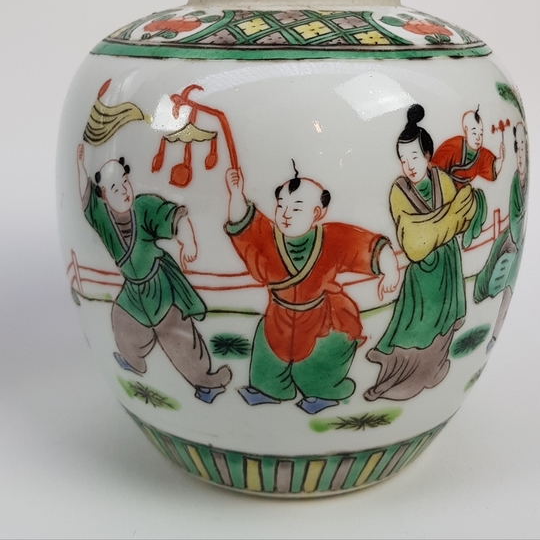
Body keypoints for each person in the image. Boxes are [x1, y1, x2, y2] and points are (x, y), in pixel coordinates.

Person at [224, 163, 400, 414]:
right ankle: (268, 392)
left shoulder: (330, 238)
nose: (286, 214)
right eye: (281, 206)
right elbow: (246, 225)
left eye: (296, 208)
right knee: (268, 361)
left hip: (321, 320)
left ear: (317, 213)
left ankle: (322, 395)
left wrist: (390, 269)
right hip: (278, 317)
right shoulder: (269, 239)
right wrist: (236, 193)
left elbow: (366, 246)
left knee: (318, 365)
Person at [76, 144, 231, 403]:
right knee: (122, 320)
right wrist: (81, 165)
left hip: (160, 285)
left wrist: (188, 242)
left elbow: (175, 217)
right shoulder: (103, 219)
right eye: (115, 188)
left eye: (125, 182)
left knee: (177, 334)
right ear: (104, 194)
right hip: (133, 290)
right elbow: (84, 194)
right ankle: (134, 363)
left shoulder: (144, 207)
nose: (124, 191)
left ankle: (206, 383)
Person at [364, 104, 477, 402]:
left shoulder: (442, 180)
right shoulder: (399, 191)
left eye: (414, 157)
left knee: (442, 328)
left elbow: (461, 216)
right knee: (410, 331)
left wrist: (442, 223)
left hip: (447, 267)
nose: (409, 165)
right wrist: (447, 220)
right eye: (403, 160)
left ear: (427, 155)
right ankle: (391, 382)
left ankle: (433, 372)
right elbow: (412, 237)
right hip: (421, 276)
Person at [474, 122, 528, 351]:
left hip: (514, 241)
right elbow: (515, 218)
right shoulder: (515, 181)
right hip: (510, 242)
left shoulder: (519, 178)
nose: (521, 153)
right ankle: (491, 335)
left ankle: (493, 336)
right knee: (498, 281)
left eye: (524, 146)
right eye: (519, 147)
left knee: (507, 289)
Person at [432, 108, 505, 188]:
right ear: (466, 131)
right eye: (474, 133)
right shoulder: (454, 145)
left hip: (465, 191)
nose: (478, 138)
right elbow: (436, 167)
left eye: (481, 134)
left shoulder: (481, 155)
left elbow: (492, 168)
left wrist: (501, 159)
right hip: (446, 187)